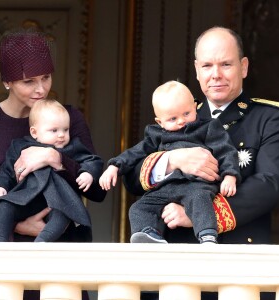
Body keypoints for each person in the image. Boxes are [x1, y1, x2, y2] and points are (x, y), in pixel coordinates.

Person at [124, 26, 279, 300]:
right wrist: (171, 160)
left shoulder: (269, 118)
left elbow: (269, 183)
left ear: (243, 67)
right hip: (176, 269)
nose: (216, 74)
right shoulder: (176, 114)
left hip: (240, 267)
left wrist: (196, 214)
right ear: (196, 70)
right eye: (207, 65)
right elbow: (131, 174)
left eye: (226, 64)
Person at [0, 28, 105, 299]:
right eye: (29, 81)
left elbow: (97, 191)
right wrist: (17, 224)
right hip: (2, 263)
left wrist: (57, 159)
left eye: (46, 78)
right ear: (7, 82)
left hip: (61, 258)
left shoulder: (68, 118)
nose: (41, 89)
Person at [100, 80, 241, 244]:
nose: (181, 121)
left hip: (196, 184)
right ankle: (148, 234)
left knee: (200, 199)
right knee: (138, 208)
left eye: (186, 114)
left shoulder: (209, 127)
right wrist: (114, 166)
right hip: (166, 187)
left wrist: (230, 175)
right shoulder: (156, 134)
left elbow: (225, 151)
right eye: (173, 118)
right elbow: (136, 152)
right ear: (159, 122)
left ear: (195, 106)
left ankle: (208, 235)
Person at [0, 99, 104, 242]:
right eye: (54, 130)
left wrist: (87, 173)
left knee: (62, 215)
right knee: (5, 206)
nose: (61, 135)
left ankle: (41, 244)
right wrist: (0, 186)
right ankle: (0, 244)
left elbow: (92, 160)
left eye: (66, 129)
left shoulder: (72, 147)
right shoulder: (20, 146)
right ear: (34, 132)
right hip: (26, 198)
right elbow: (7, 171)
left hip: (59, 200)